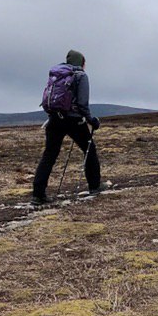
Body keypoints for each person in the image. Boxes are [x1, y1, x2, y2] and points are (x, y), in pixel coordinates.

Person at [31, 49, 101, 204]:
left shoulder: (57, 74)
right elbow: (82, 104)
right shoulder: (81, 75)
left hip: (54, 119)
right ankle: (95, 186)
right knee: (89, 149)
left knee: (49, 154)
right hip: (74, 120)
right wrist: (92, 120)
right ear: (81, 62)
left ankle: (38, 194)